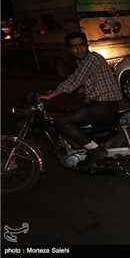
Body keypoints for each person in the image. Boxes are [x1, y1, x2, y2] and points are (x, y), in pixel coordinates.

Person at [37, 31, 122, 171]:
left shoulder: (92, 59)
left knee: (62, 121)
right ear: (69, 50)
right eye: (74, 46)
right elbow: (83, 86)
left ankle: (95, 150)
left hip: (104, 105)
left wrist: (51, 96)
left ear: (87, 45)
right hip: (98, 103)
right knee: (61, 115)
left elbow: (75, 80)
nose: (79, 48)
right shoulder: (82, 62)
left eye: (81, 44)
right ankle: (77, 146)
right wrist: (55, 93)